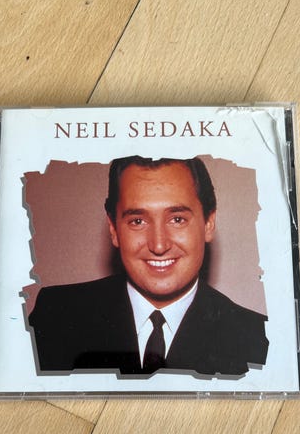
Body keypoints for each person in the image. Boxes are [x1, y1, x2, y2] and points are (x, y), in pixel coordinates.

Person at [28, 156, 268, 376]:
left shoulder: (257, 339)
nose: (159, 245)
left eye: (177, 219)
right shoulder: (56, 316)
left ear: (208, 224)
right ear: (114, 229)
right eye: (138, 221)